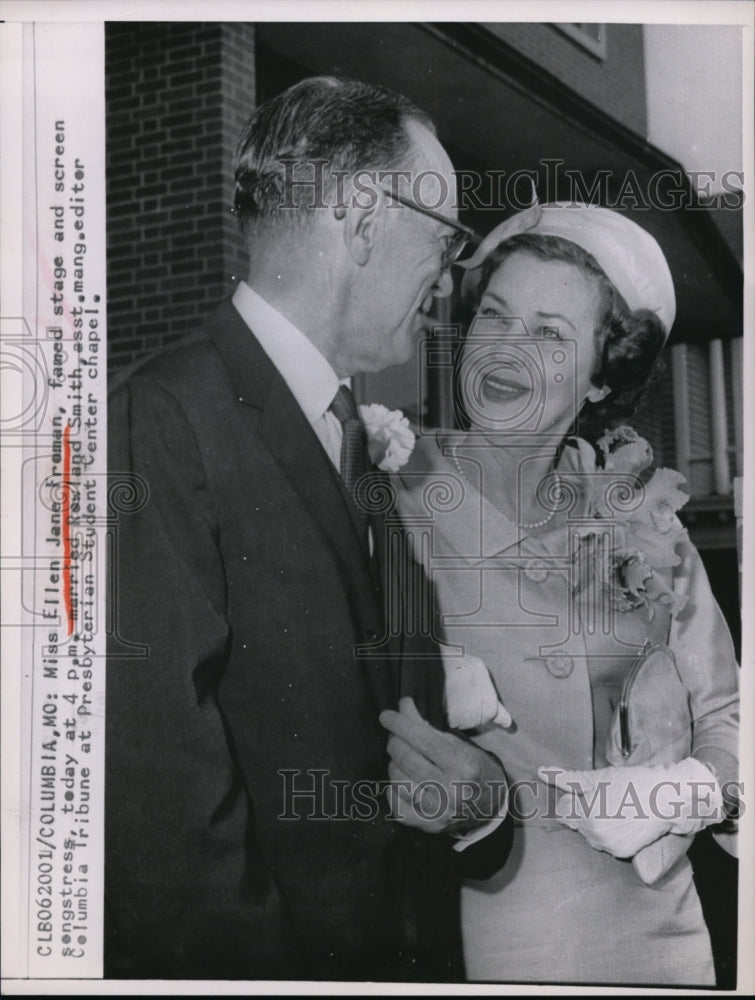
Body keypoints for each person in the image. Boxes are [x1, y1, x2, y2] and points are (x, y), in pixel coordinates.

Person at [104, 76, 510, 981]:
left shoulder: (361, 442)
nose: (447, 281)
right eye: (444, 238)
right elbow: (161, 818)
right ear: (363, 219)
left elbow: (411, 751)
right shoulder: (158, 424)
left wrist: (479, 807)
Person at [395, 201, 740, 985]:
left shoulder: (643, 519)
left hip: (653, 945)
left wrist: (688, 790)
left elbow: (725, 714)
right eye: (494, 315)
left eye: (550, 333)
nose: (505, 352)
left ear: (599, 377)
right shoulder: (388, 486)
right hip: (458, 943)